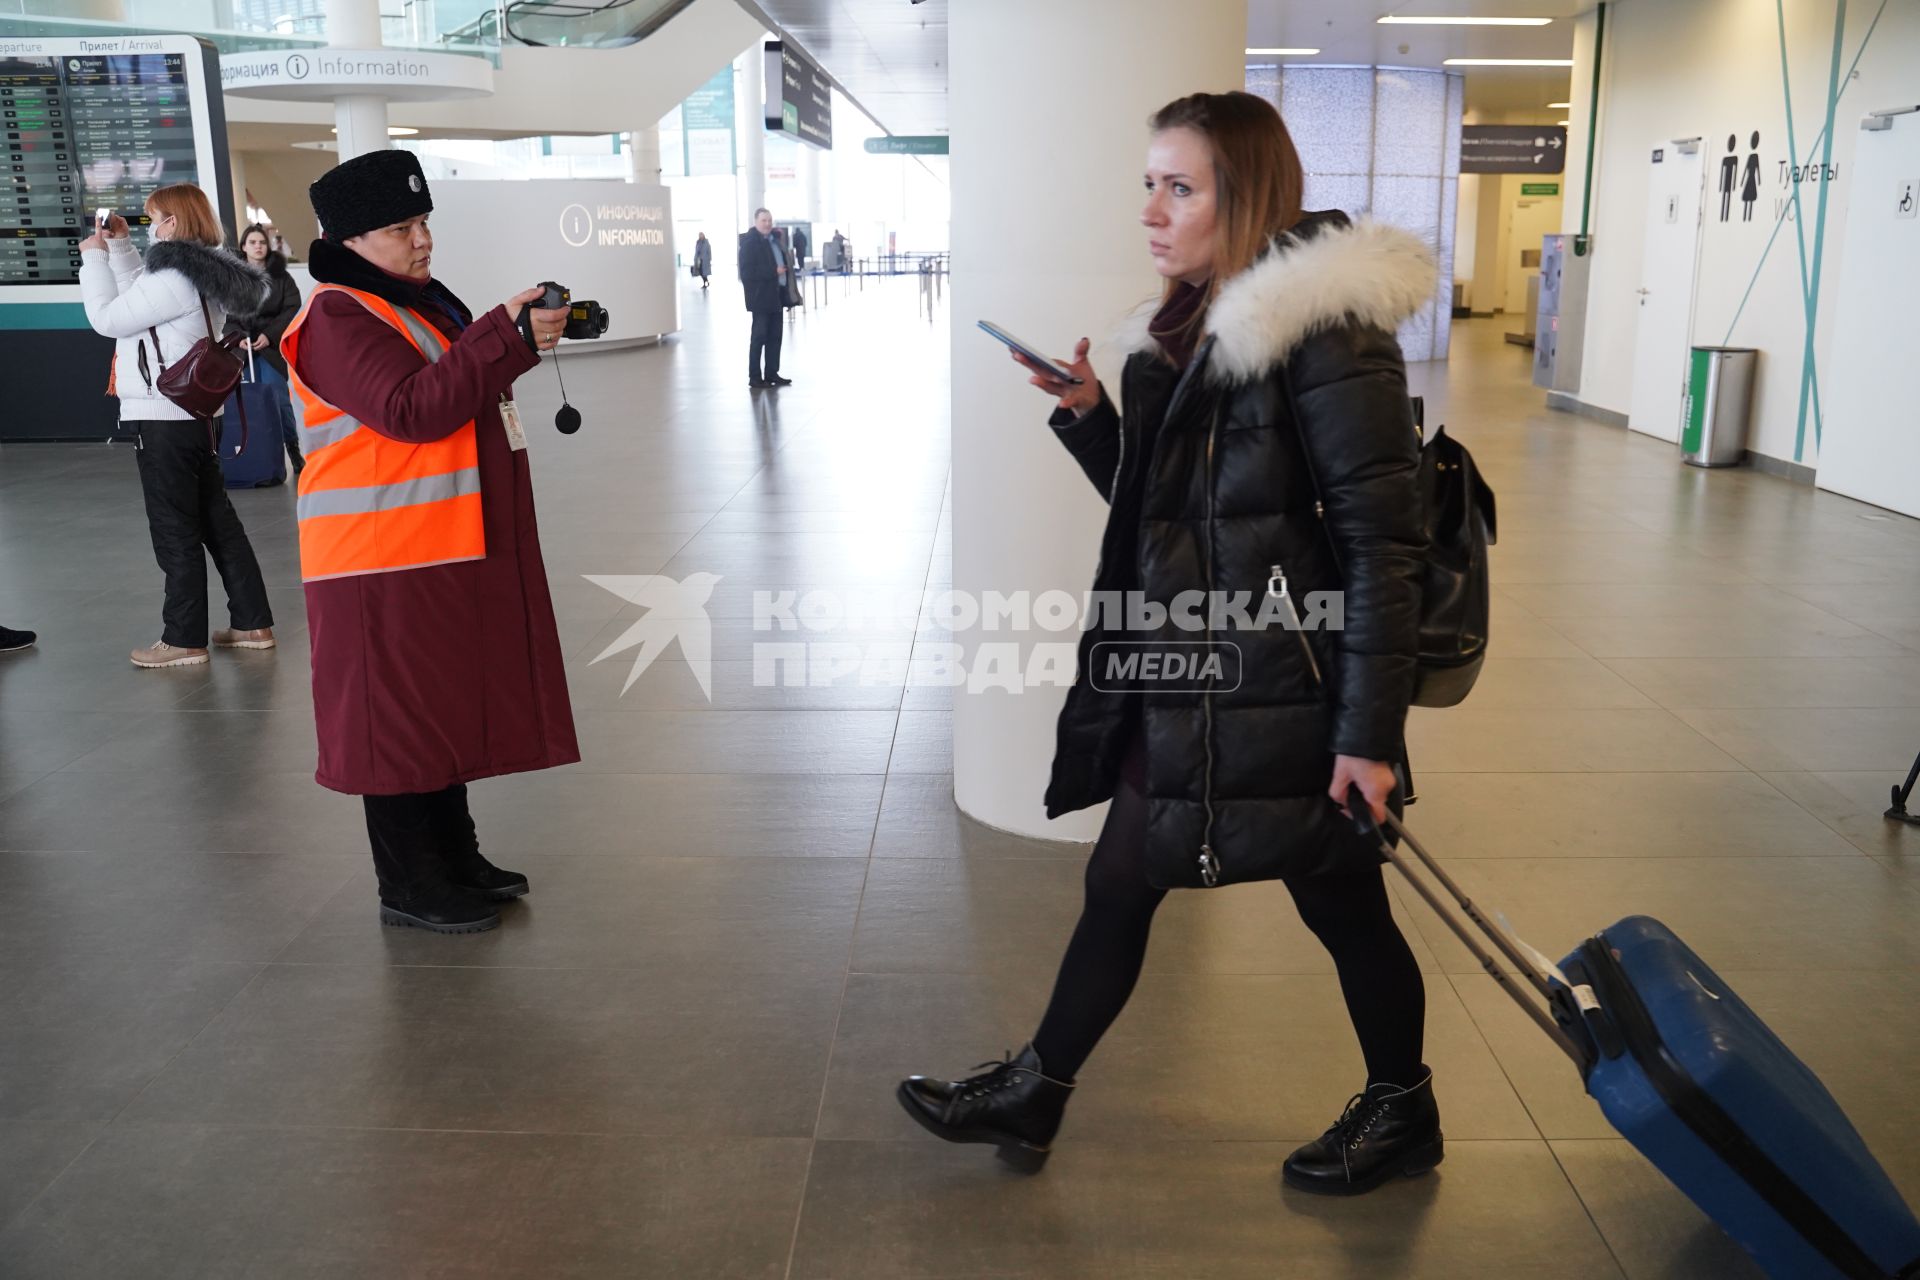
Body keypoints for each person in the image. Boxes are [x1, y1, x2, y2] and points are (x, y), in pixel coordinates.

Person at [896, 91, 1438, 1197]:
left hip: (1289, 685)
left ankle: (1402, 1106)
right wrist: (1094, 412)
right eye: (1149, 181)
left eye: (1179, 186)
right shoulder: (1182, 335)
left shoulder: (1326, 332)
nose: (1151, 208)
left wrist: (1368, 738)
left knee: (1341, 900)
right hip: (1194, 672)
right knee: (1126, 875)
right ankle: (1039, 1087)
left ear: (1242, 198)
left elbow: (1388, 548)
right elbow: (1169, 518)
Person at [287, 148, 580, 935]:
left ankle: (455, 856)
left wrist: (511, 341)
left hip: (425, 543)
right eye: (399, 227)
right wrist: (502, 337)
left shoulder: (413, 306)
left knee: (433, 710)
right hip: (372, 557)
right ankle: (410, 882)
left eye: (422, 222)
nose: (421, 240)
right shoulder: (338, 315)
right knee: (394, 725)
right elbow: (411, 410)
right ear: (348, 239)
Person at [78, 182, 277, 670]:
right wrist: (122, 248)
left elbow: (108, 318)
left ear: (173, 222)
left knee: (175, 528)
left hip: (163, 415)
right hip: (198, 416)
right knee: (216, 520)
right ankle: (252, 623)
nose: (150, 228)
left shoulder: (174, 277)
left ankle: (183, 638)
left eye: (153, 219)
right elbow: (140, 301)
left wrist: (94, 259)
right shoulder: (197, 269)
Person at [226, 222, 306, 475]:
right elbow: (225, 314)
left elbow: (293, 309)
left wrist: (269, 336)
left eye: (262, 242)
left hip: (270, 350)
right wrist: (238, 337)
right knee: (245, 402)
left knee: (278, 400)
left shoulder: (282, 277)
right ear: (243, 247)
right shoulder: (233, 278)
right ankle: (254, 450)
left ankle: (292, 449)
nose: (258, 246)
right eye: (253, 243)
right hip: (243, 351)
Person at [738, 208, 790, 388]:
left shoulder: (773, 241)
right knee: (759, 337)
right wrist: (773, 272)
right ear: (755, 222)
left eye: (769, 220)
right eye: (764, 220)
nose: (767, 224)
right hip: (760, 298)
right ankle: (754, 376)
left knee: (775, 337)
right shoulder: (749, 243)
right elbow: (746, 273)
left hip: (776, 296)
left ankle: (772, 373)